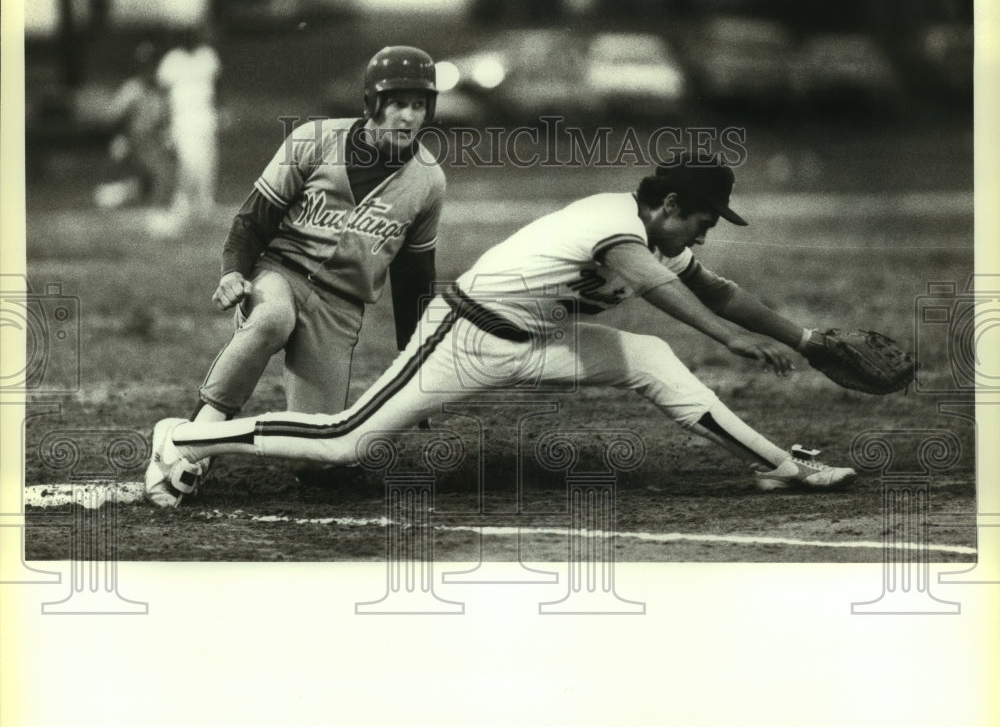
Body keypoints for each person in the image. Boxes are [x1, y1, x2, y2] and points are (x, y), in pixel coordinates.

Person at [145, 160, 856, 507]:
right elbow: (648, 282)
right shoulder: (613, 219)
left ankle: (777, 465)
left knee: (649, 358)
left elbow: (717, 291)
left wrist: (804, 338)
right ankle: (182, 435)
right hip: (464, 336)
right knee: (343, 443)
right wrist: (727, 342)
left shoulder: (665, 241)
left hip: (539, 342)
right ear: (670, 205)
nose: (707, 230)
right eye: (705, 217)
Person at [174, 45, 445, 485]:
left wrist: (419, 368)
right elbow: (253, 219)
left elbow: (415, 279)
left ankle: (294, 457)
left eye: (418, 105)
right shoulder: (315, 139)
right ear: (372, 102)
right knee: (273, 320)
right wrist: (233, 272)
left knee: (317, 458)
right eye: (396, 102)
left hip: (340, 309)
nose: (408, 116)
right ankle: (189, 439)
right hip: (280, 274)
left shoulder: (428, 182)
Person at [149, 27, 221, 235]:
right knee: (187, 163)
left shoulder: (208, 56)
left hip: (205, 116)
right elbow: (162, 92)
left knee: (207, 163)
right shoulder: (172, 60)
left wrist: (221, 109)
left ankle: (205, 206)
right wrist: (164, 122)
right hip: (183, 119)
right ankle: (182, 206)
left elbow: (218, 85)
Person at [93, 41, 174, 210]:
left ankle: (113, 197)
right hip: (136, 140)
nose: (150, 68)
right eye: (146, 64)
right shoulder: (133, 88)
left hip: (154, 140)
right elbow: (112, 116)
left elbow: (165, 119)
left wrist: (167, 138)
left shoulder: (162, 89)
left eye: (154, 63)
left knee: (154, 178)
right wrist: (120, 138)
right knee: (162, 173)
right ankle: (158, 214)